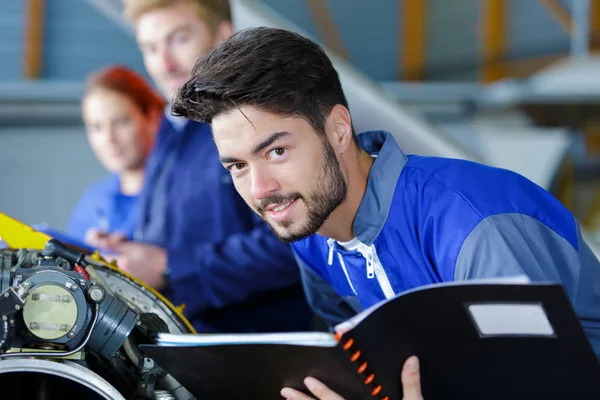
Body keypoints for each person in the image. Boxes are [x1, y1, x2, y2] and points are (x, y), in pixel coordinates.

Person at [171, 26, 600, 397]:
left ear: (338, 129)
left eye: (277, 151)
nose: (260, 189)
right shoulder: (312, 234)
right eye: (238, 166)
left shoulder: (475, 228)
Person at [86, 0, 313, 334]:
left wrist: (168, 267)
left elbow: (296, 245)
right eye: (150, 47)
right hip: (181, 348)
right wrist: (131, 250)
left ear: (223, 36)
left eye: (178, 39)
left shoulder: (261, 122)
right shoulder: (171, 130)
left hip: (250, 357)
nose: (163, 64)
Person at [67, 65, 162, 247]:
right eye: (96, 127)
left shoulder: (179, 194)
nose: (109, 139)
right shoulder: (92, 201)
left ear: (151, 118)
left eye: (121, 122)